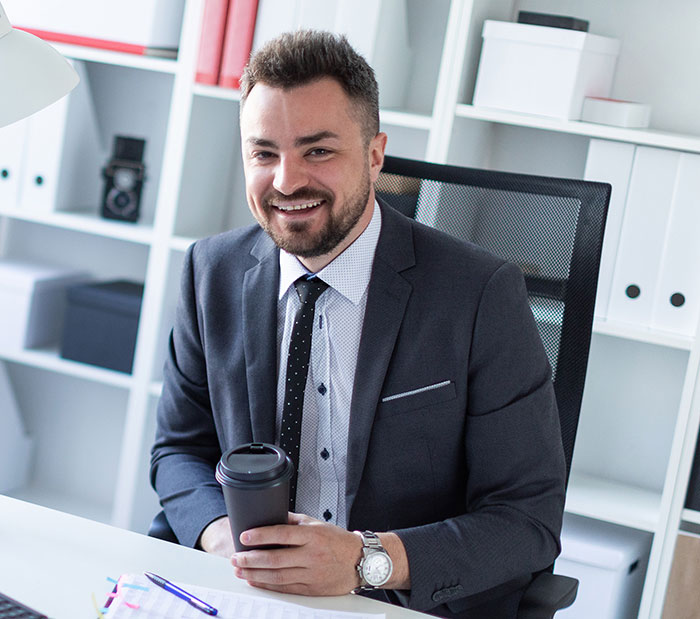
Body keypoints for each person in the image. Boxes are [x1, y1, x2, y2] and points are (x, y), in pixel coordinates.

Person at [150, 30, 566, 618]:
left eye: (318, 151)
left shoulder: (478, 296)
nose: (287, 181)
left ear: (374, 154)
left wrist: (363, 560)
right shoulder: (209, 271)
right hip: (241, 590)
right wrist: (219, 535)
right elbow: (179, 449)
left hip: (395, 600)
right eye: (264, 153)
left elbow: (527, 520)